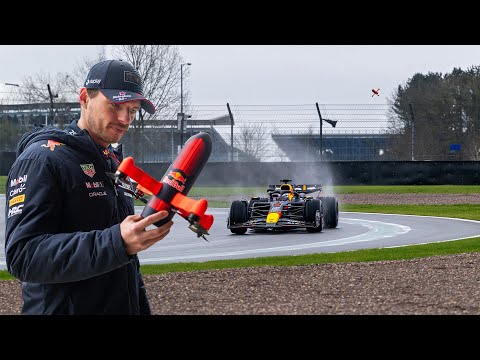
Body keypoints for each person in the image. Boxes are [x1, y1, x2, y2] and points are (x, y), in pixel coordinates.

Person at [4, 59, 174, 315]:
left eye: (133, 109)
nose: (124, 118)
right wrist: (117, 241)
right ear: (84, 98)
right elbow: (23, 256)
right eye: (115, 105)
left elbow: (126, 269)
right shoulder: (41, 159)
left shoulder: (110, 162)